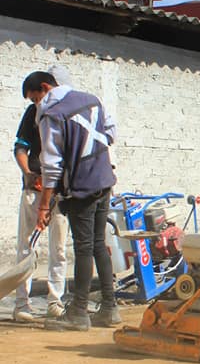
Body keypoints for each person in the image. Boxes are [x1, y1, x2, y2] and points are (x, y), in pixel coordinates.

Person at [21, 70, 121, 332]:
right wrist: (93, 156)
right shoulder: (92, 99)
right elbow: (110, 131)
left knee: (84, 247)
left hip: (82, 188)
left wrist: (44, 206)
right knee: (98, 244)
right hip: (104, 179)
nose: (35, 105)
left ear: (45, 88)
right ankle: (110, 309)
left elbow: (52, 166)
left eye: (34, 99)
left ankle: (78, 313)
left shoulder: (50, 113)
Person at [13, 100, 68, 322]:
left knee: (59, 249)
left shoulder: (68, 114)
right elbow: (20, 147)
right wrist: (27, 172)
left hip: (60, 193)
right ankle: (21, 305)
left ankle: (55, 302)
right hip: (34, 190)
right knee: (26, 248)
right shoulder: (33, 112)